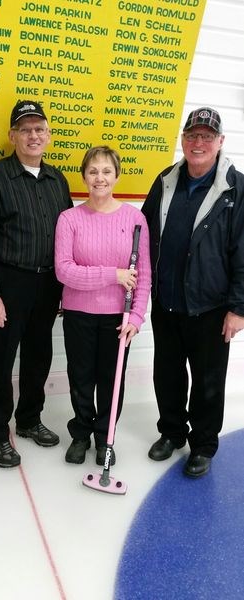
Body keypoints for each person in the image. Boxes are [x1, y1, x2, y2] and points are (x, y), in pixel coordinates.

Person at [142, 107, 244, 478]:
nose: (198, 142)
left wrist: (238, 308)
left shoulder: (236, 189)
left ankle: (203, 444)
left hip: (211, 306)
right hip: (167, 301)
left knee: (207, 380)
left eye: (207, 136)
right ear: (183, 139)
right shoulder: (166, 180)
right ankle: (171, 432)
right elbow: (146, 234)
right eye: (192, 135)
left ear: (220, 142)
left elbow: (243, 252)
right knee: (166, 373)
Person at [0, 100, 73, 468]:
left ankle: (30, 419)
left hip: (48, 282)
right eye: (25, 129)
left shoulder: (57, 179)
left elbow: (66, 236)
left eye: (39, 129)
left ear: (48, 135)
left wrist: (64, 286)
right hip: (9, 280)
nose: (33, 135)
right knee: (1, 359)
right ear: (12, 135)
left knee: (38, 354)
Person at [55, 146, 151, 465]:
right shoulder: (69, 219)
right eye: (93, 171)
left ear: (117, 175)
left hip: (118, 317)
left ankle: (105, 439)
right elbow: (64, 271)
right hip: (79, 314)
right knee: (81, 378)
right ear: (84, 176)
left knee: (112, 382)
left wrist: (136, 316)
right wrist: (114, 275)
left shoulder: (135, 219)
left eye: (106, 171)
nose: (100, 178)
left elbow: (144, 274)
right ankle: (81, 435)